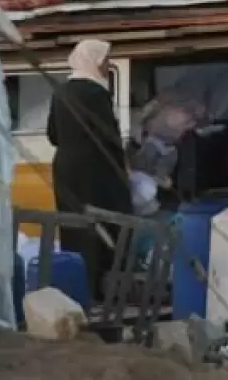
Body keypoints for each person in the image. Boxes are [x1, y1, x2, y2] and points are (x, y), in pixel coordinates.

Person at [47, 39, 131, 300]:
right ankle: (103, 289)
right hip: (96, 169)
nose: (107, 65)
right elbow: (109, 137)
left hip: (66, 168)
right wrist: (123, 169)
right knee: (103, 223)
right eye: (105, 60)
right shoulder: (96, 93)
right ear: (94, 60)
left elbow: (53, 134)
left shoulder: (61, 91)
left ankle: (80, 289)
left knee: (74, 226)